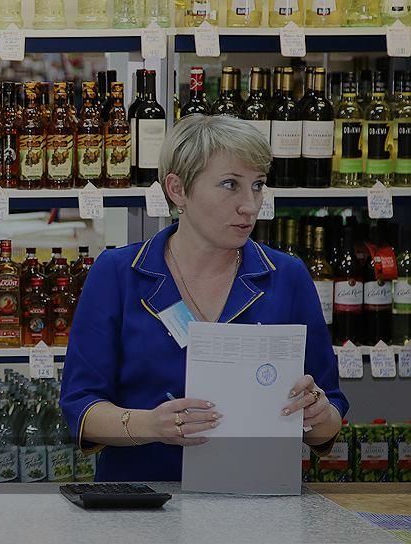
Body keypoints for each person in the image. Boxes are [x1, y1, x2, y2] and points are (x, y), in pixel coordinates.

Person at [59, 115, 347, 482]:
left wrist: (318, 415)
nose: (250, 205)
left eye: (258, 185)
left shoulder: (287, 276)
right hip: (141, 499)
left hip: (258, 497)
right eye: (230, 184)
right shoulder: (118, 274)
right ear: (178, 190)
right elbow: (80, 407)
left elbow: (329, 416)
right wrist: (151, 425)